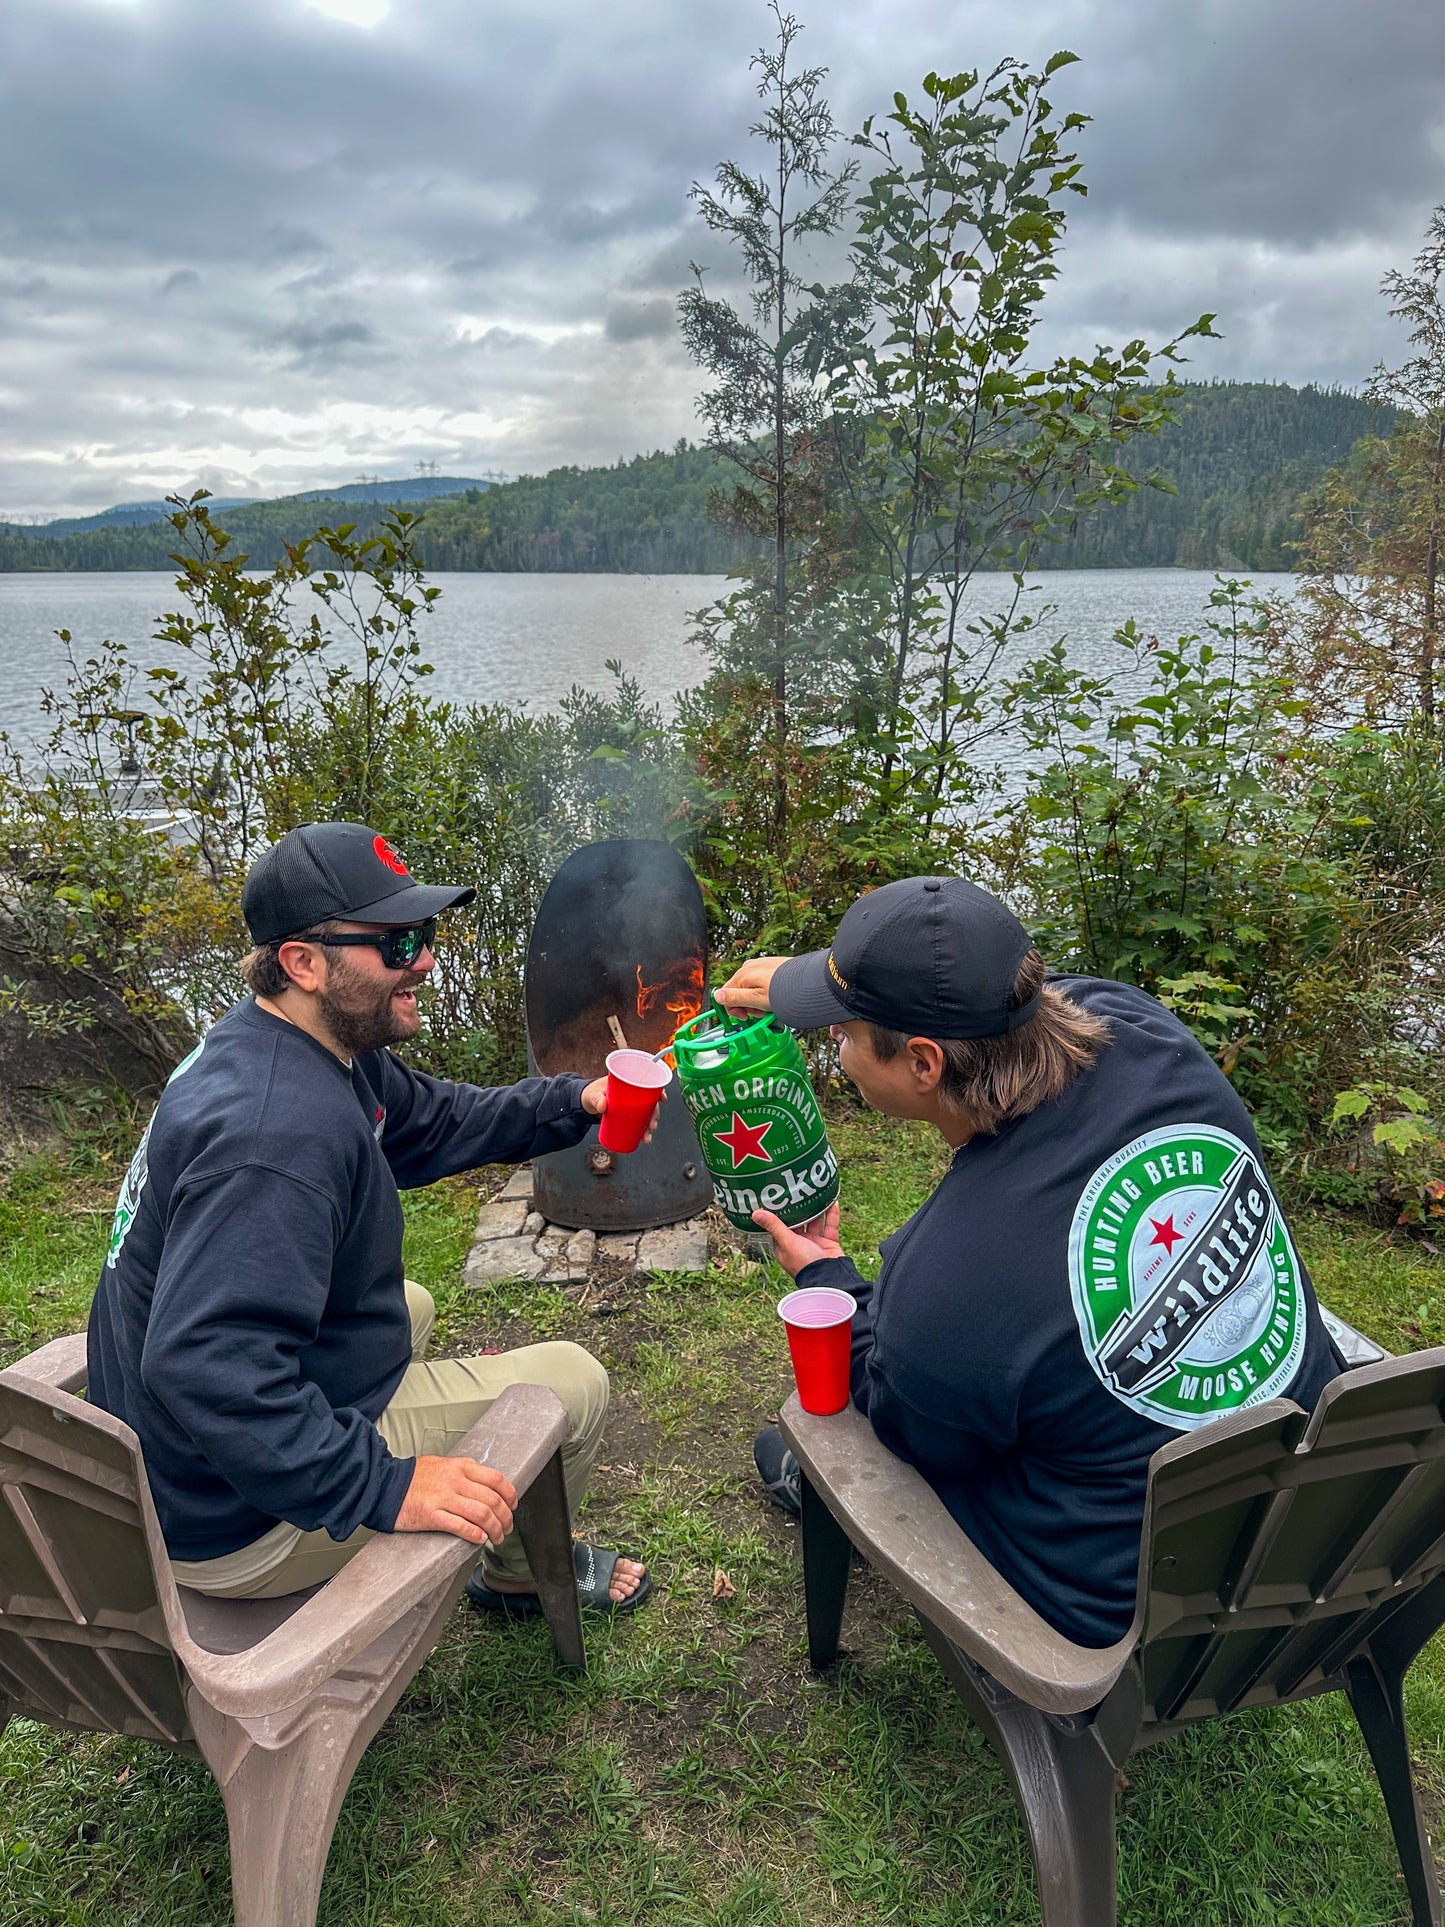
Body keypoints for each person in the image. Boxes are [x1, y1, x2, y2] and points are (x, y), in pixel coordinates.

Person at [718, 875, 1342, 1648]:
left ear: (922, 1062)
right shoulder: (1143, 1029)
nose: (834, 1047)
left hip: (1125, 1596)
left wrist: (828, 1277)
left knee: (884, 1437)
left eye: (839, 1030)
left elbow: (913, 1433)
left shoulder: (951, 1281)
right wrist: (807, 982)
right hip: (1317, 1514)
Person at [88, 821, 649, 1614]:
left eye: (424, 933)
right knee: (575, 1384)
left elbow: (434, 1120)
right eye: (396, 942)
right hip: (228, 1518)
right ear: (303, 961)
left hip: (183, 1462)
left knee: (406, 1304)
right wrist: (383, 1484)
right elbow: (203, 1367)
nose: (423, 958)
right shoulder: (276, 1133)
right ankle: (521, 1574)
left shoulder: (292, 1042)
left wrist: (574, 1099)